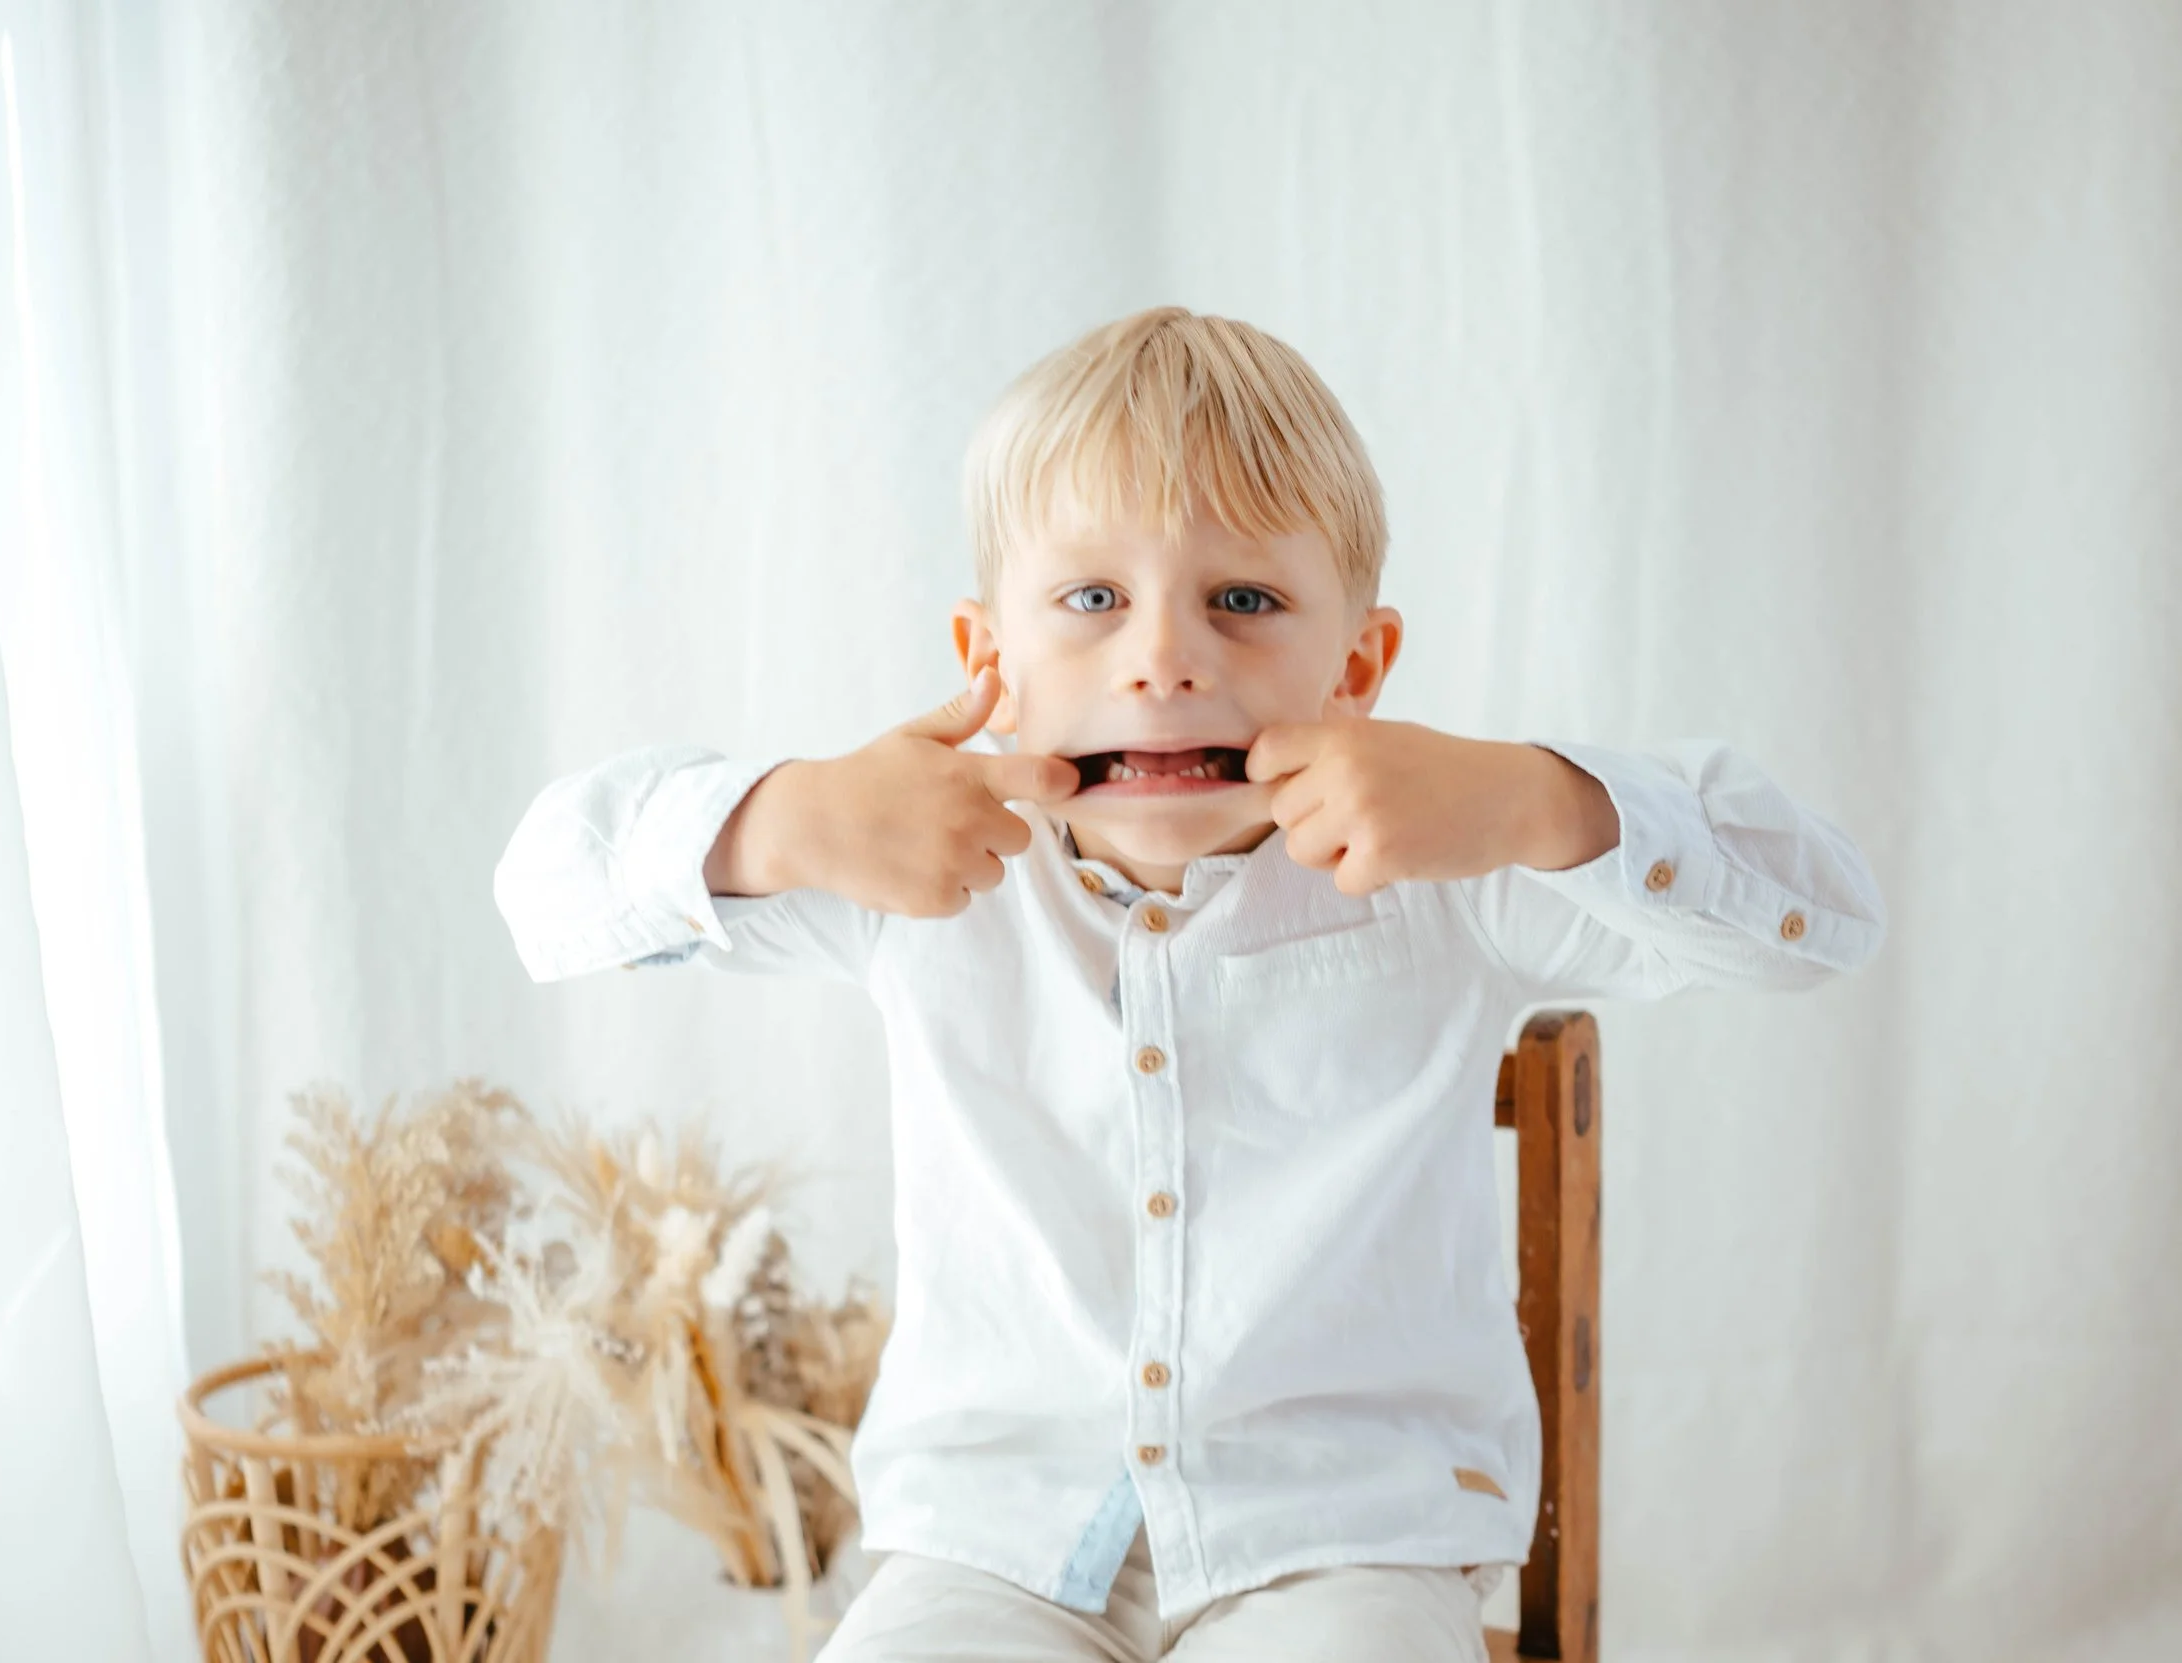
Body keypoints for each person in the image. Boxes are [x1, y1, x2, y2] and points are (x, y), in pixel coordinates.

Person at [493, 306, 1885, 1662]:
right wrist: (784, 817)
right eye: (1091, 600)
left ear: (1359, 665)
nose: (1164, 658)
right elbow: (544, 890)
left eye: (1245, 599)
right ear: (992, 662)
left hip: (1344, 1544)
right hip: (994, 1548)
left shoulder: (1448, 864)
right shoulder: (926, 872)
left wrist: (1535, 799)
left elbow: (1823, 917)